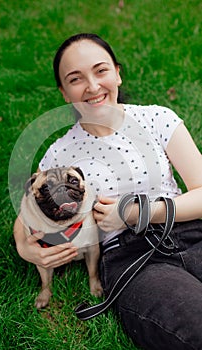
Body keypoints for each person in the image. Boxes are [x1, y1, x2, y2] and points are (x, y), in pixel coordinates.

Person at [13, 33, 202, 350]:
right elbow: (26, 214)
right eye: (76, 79)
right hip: (134, 260)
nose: (92, 86)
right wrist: (24, 246)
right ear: (64, 92)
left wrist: (139, 212)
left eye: (100, 71)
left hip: (191, 230)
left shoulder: (157, 118)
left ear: (117, 72)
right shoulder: (60, 154)